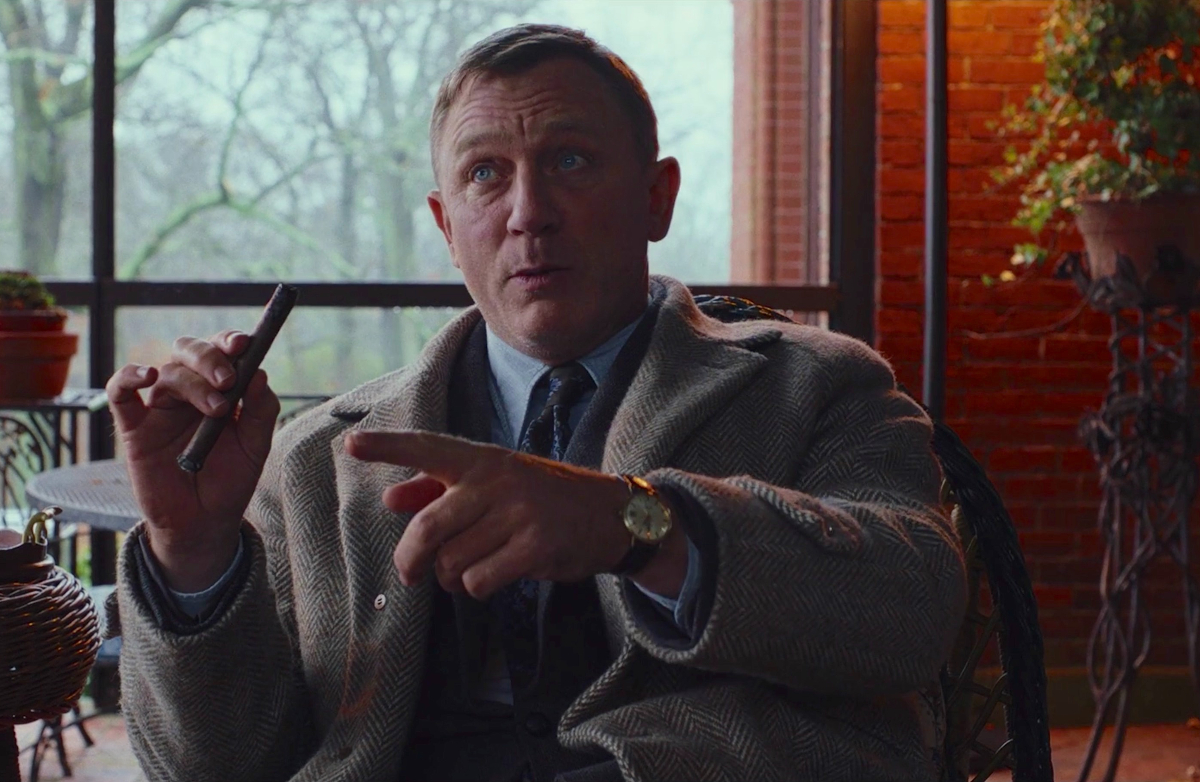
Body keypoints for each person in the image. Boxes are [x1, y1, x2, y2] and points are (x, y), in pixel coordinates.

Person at [105, 23, 967, 782]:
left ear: (657, 197)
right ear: (447, 227)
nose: (529, 213)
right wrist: (192, 550)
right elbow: (211, 768)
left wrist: (636, 524)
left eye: (570, 161)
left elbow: (916, 610)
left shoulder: (816, 384)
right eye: (486, 174)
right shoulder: (315, 462)